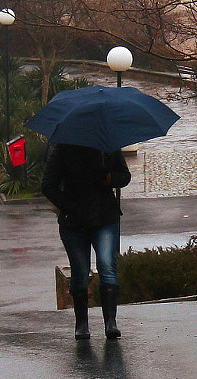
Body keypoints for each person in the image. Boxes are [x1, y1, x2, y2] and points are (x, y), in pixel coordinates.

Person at [42, 143, 132, 340]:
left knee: (107, 264)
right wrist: (69, 206)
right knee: (80, 270)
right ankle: (81, 324)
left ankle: (111, 322)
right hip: (74, 223)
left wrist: (109, 178)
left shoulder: (107, 145)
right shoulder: (64, 148)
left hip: (104, 217)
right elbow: (48, 185)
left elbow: (124, 175)